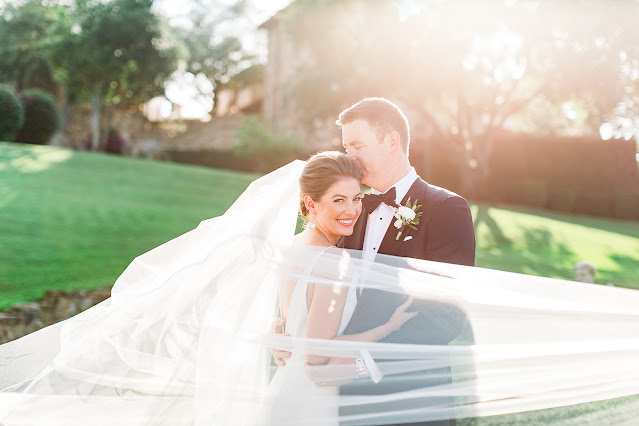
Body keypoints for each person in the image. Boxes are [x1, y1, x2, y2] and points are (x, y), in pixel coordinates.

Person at [273, 98, 476, 425]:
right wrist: (285, 331)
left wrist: (362, 364)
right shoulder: (350, 211)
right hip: (341, 401)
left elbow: (448, 315)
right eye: (346, 147)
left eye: (357, 146)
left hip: (410, 400)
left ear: (392, 142)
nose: (349, 156)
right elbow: (316, 281)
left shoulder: (446, 209)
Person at [266, 151, 418, 425]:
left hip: (285, 388)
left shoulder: (295, 246)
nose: (352, 210)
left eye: (356, 198)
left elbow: (292, 324)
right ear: (311, 204)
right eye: (339, 200)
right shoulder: (333, 260)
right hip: (311, 403)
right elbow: (316, 352)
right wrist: (387, 328)